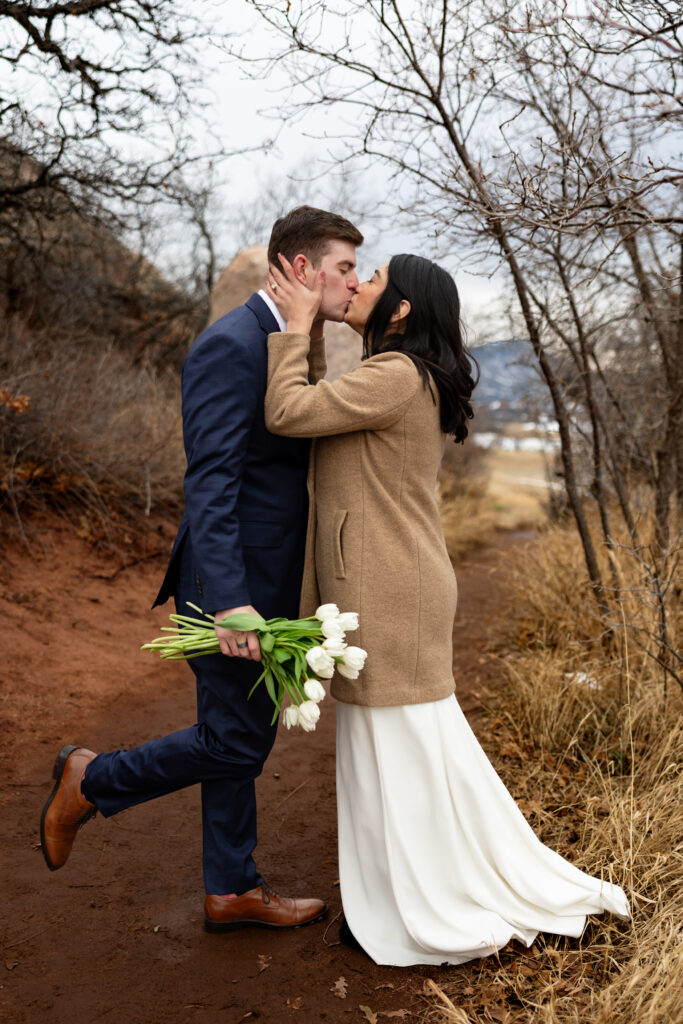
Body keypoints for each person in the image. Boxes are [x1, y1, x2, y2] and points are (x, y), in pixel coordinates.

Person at [262, 252, 630, 966]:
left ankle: (418, 899)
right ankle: (398, 892)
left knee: (398, 753)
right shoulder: (404, 374)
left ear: (400, 309)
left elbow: (287, 412)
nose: (359, 282)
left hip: (387, 586)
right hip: (395, 580)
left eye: (371, 278)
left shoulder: (395, 376)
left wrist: (296, 325)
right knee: (403, 751)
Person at [39, 206, 363, 932]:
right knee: (236, 741)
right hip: (234, 587)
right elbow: (211, 481)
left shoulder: (285, 341)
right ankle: (91, 778)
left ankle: (231, 886)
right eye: (344, 267)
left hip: (264, 583)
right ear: (303, 270)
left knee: (232, 733)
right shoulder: (233, 344)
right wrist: (228, 602)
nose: (352, 281)